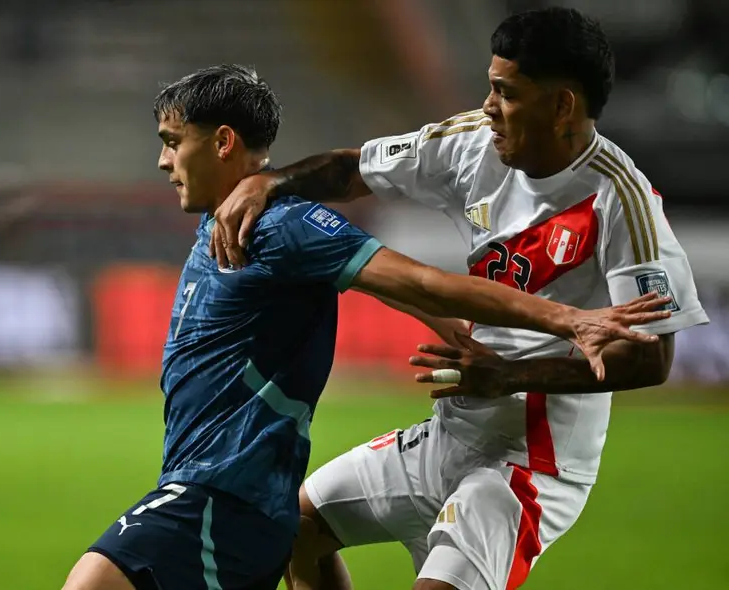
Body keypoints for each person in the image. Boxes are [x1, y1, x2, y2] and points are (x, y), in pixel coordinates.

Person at [61, 63, 672, 590]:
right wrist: (445, 322)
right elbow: (378, 245)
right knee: (304, 529)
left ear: (222, 142)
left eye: (173, 141)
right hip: (219, 480)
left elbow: (418, 279)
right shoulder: (232, 220)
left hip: (225, 490)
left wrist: (570, 320)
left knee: (92, 580)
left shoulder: (284, 227)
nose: (162, 159)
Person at [207, 8, 710, 590]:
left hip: (531, 465)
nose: (489, 107)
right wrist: (271, 182)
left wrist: (511, 373)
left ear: (562, 105)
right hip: (451, 432)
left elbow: (652, 358)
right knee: (290, 526)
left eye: (505, 92)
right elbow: (354, 170)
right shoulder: (474, 142)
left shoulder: (622, 201)